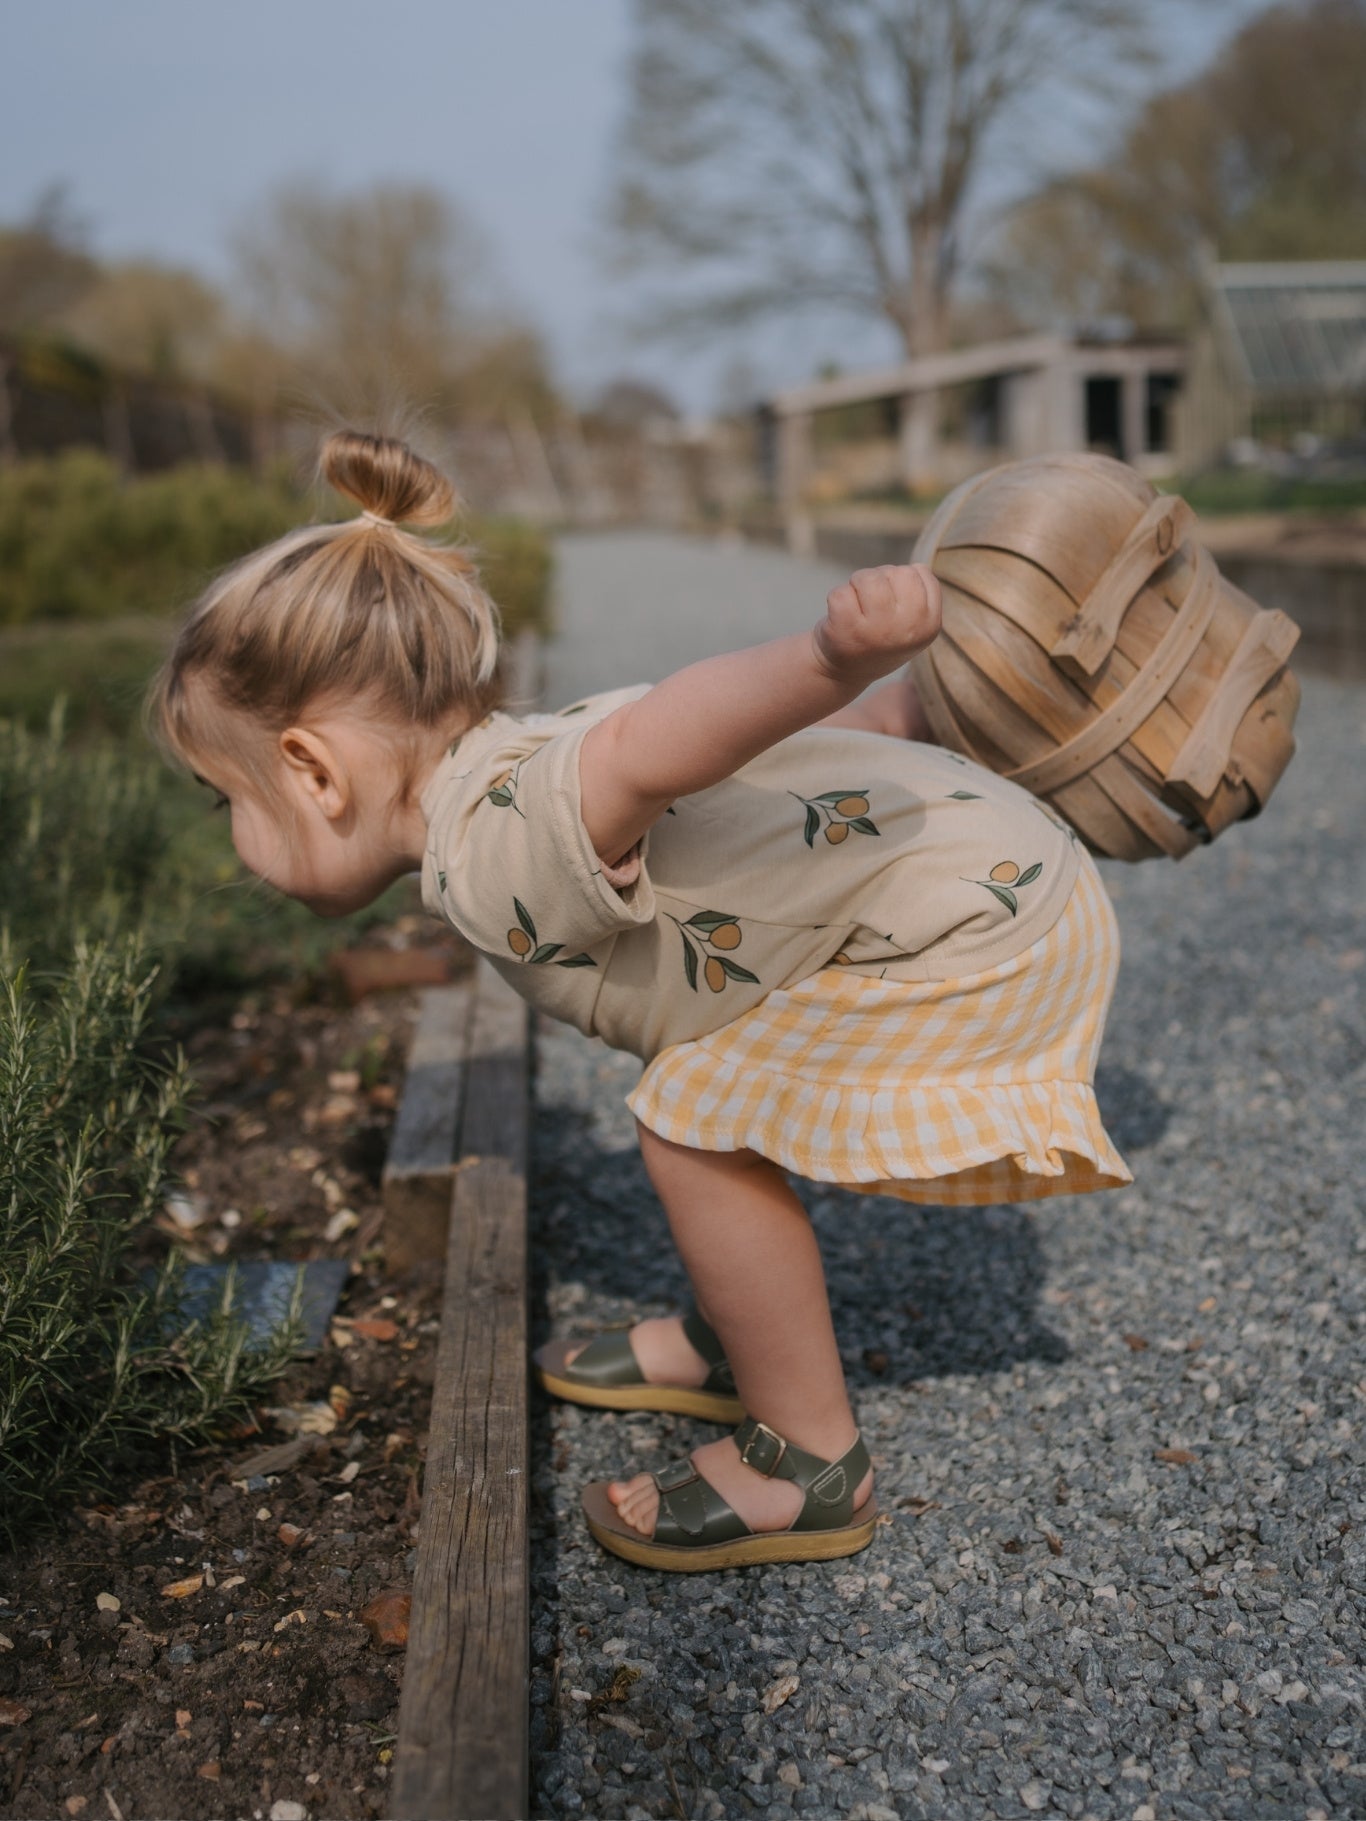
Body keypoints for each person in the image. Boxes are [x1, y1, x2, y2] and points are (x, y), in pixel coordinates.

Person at [151, 430, 1130, 1573]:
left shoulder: (496, 840)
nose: (227, 831)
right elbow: (742, 777)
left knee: (692, 1128)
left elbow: (659, 740)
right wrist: (895, 718)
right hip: (972, 879)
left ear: (313, 769)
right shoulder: (498, 771)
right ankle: (739, 1336)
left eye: (224, 795)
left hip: (966, 921)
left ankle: (807, 1460)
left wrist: (831, 657)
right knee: (708, 1089)